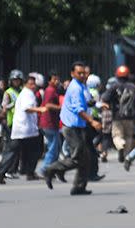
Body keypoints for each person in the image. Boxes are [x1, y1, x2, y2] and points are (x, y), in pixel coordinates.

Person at [43, 61, 102, 195]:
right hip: (71, 127)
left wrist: (96, 104)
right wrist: (92, 122)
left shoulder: (81, 86)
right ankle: (51, 169)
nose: (82, 75)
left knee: (85, 158)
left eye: (84, 73)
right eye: (79, 73)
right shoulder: (75, 87)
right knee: (77, 158)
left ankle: (79, 187)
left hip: (78, 126)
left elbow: (84, 102)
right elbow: (78, 109)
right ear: (72, 74)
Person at [0, 76, 47, 184]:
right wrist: (40, 109)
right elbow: (26, 108)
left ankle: (28, 172)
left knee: (27, 151)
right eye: (31, 84)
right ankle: (4, 171)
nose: (33, 86)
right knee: (31, 150)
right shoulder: (27, 94)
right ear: (25, 84)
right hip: (24, 129)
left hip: (26, 129)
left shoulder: (27, 93)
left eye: (34, 84)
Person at [101, 65, 135, 162]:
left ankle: (120, 146)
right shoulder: (134, 87)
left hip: (117, 115)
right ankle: (126, 155)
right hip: (130, 116)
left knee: (117, 135)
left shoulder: (114, 86)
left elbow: (105, 98)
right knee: (128, 135)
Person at [38, 71, 63, 177]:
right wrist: (60, 108)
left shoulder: (54, 90)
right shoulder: (50, 90)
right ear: (49, 81)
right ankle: (44, 169)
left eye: (57, 79)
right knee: (53, 148)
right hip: (49, 123)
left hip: (52, 123)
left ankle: (51, 169)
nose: (56, 81)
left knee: (55, 147)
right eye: (54, 79)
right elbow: (48, 105)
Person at [1, 69, 24, 179]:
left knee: (18, 148)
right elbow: (4, 107)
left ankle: (13, 169)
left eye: (18, 80)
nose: (17, 82)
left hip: (20, 122)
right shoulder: (8, 92)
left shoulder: (22, 91)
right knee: (12, 147)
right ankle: (7, 169)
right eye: (14, 80)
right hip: (11, 122)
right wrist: (14, 104)